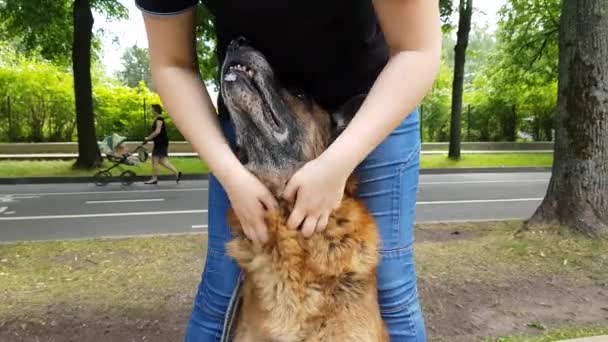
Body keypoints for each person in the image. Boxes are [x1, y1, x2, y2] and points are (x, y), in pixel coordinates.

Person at [137, 1, 441, 341]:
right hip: (256, 110)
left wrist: (337, 163)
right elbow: (171, 64)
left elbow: (418, 49)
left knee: (392, 287)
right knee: (219, 290)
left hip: (372, 101)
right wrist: (231, 175)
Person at [144, 104, 182, 184]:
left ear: (155, 110)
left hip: (160, 142)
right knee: (163, 161)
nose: (151, 111)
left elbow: (157, 131)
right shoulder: (158, 118)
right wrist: (149, 138)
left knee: (154, 160)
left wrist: (148, 138)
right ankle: (177, 173)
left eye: (152, 109)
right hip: (161, 142)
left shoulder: (159, 118)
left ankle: (154, 179)